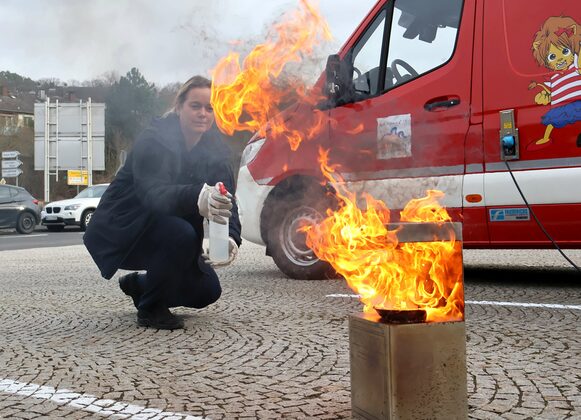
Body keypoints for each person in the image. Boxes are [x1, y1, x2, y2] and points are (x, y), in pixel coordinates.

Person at [84, 75, 241, 330]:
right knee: (181, 232)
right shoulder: (153, 140)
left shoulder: (216, 151)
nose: (203, 113)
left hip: (175, 237)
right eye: (195, 106)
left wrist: (231, 235)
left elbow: (226, 198)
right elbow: (152, 194)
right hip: (129, 230)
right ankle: (150, 309)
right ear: (179, 107)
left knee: (207, 291)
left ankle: (141, 286)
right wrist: (197, 196)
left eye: (209, 108)